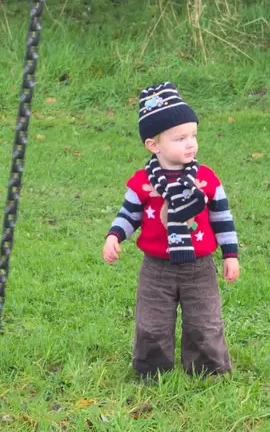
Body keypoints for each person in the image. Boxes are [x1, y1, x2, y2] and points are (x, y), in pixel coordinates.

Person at [102, 81, 240, 378]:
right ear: (154, 145)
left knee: (205, 322)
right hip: (156, 269)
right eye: (180, 138)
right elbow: (128, 214)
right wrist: (114, 235)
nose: (191, 143)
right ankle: (152, 370)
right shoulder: (142, 182)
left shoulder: (206, 180)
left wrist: (230, 255)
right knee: (151, 323)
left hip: (199, 267)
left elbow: (223, 218)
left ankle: (208, 370)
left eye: (193, 135)